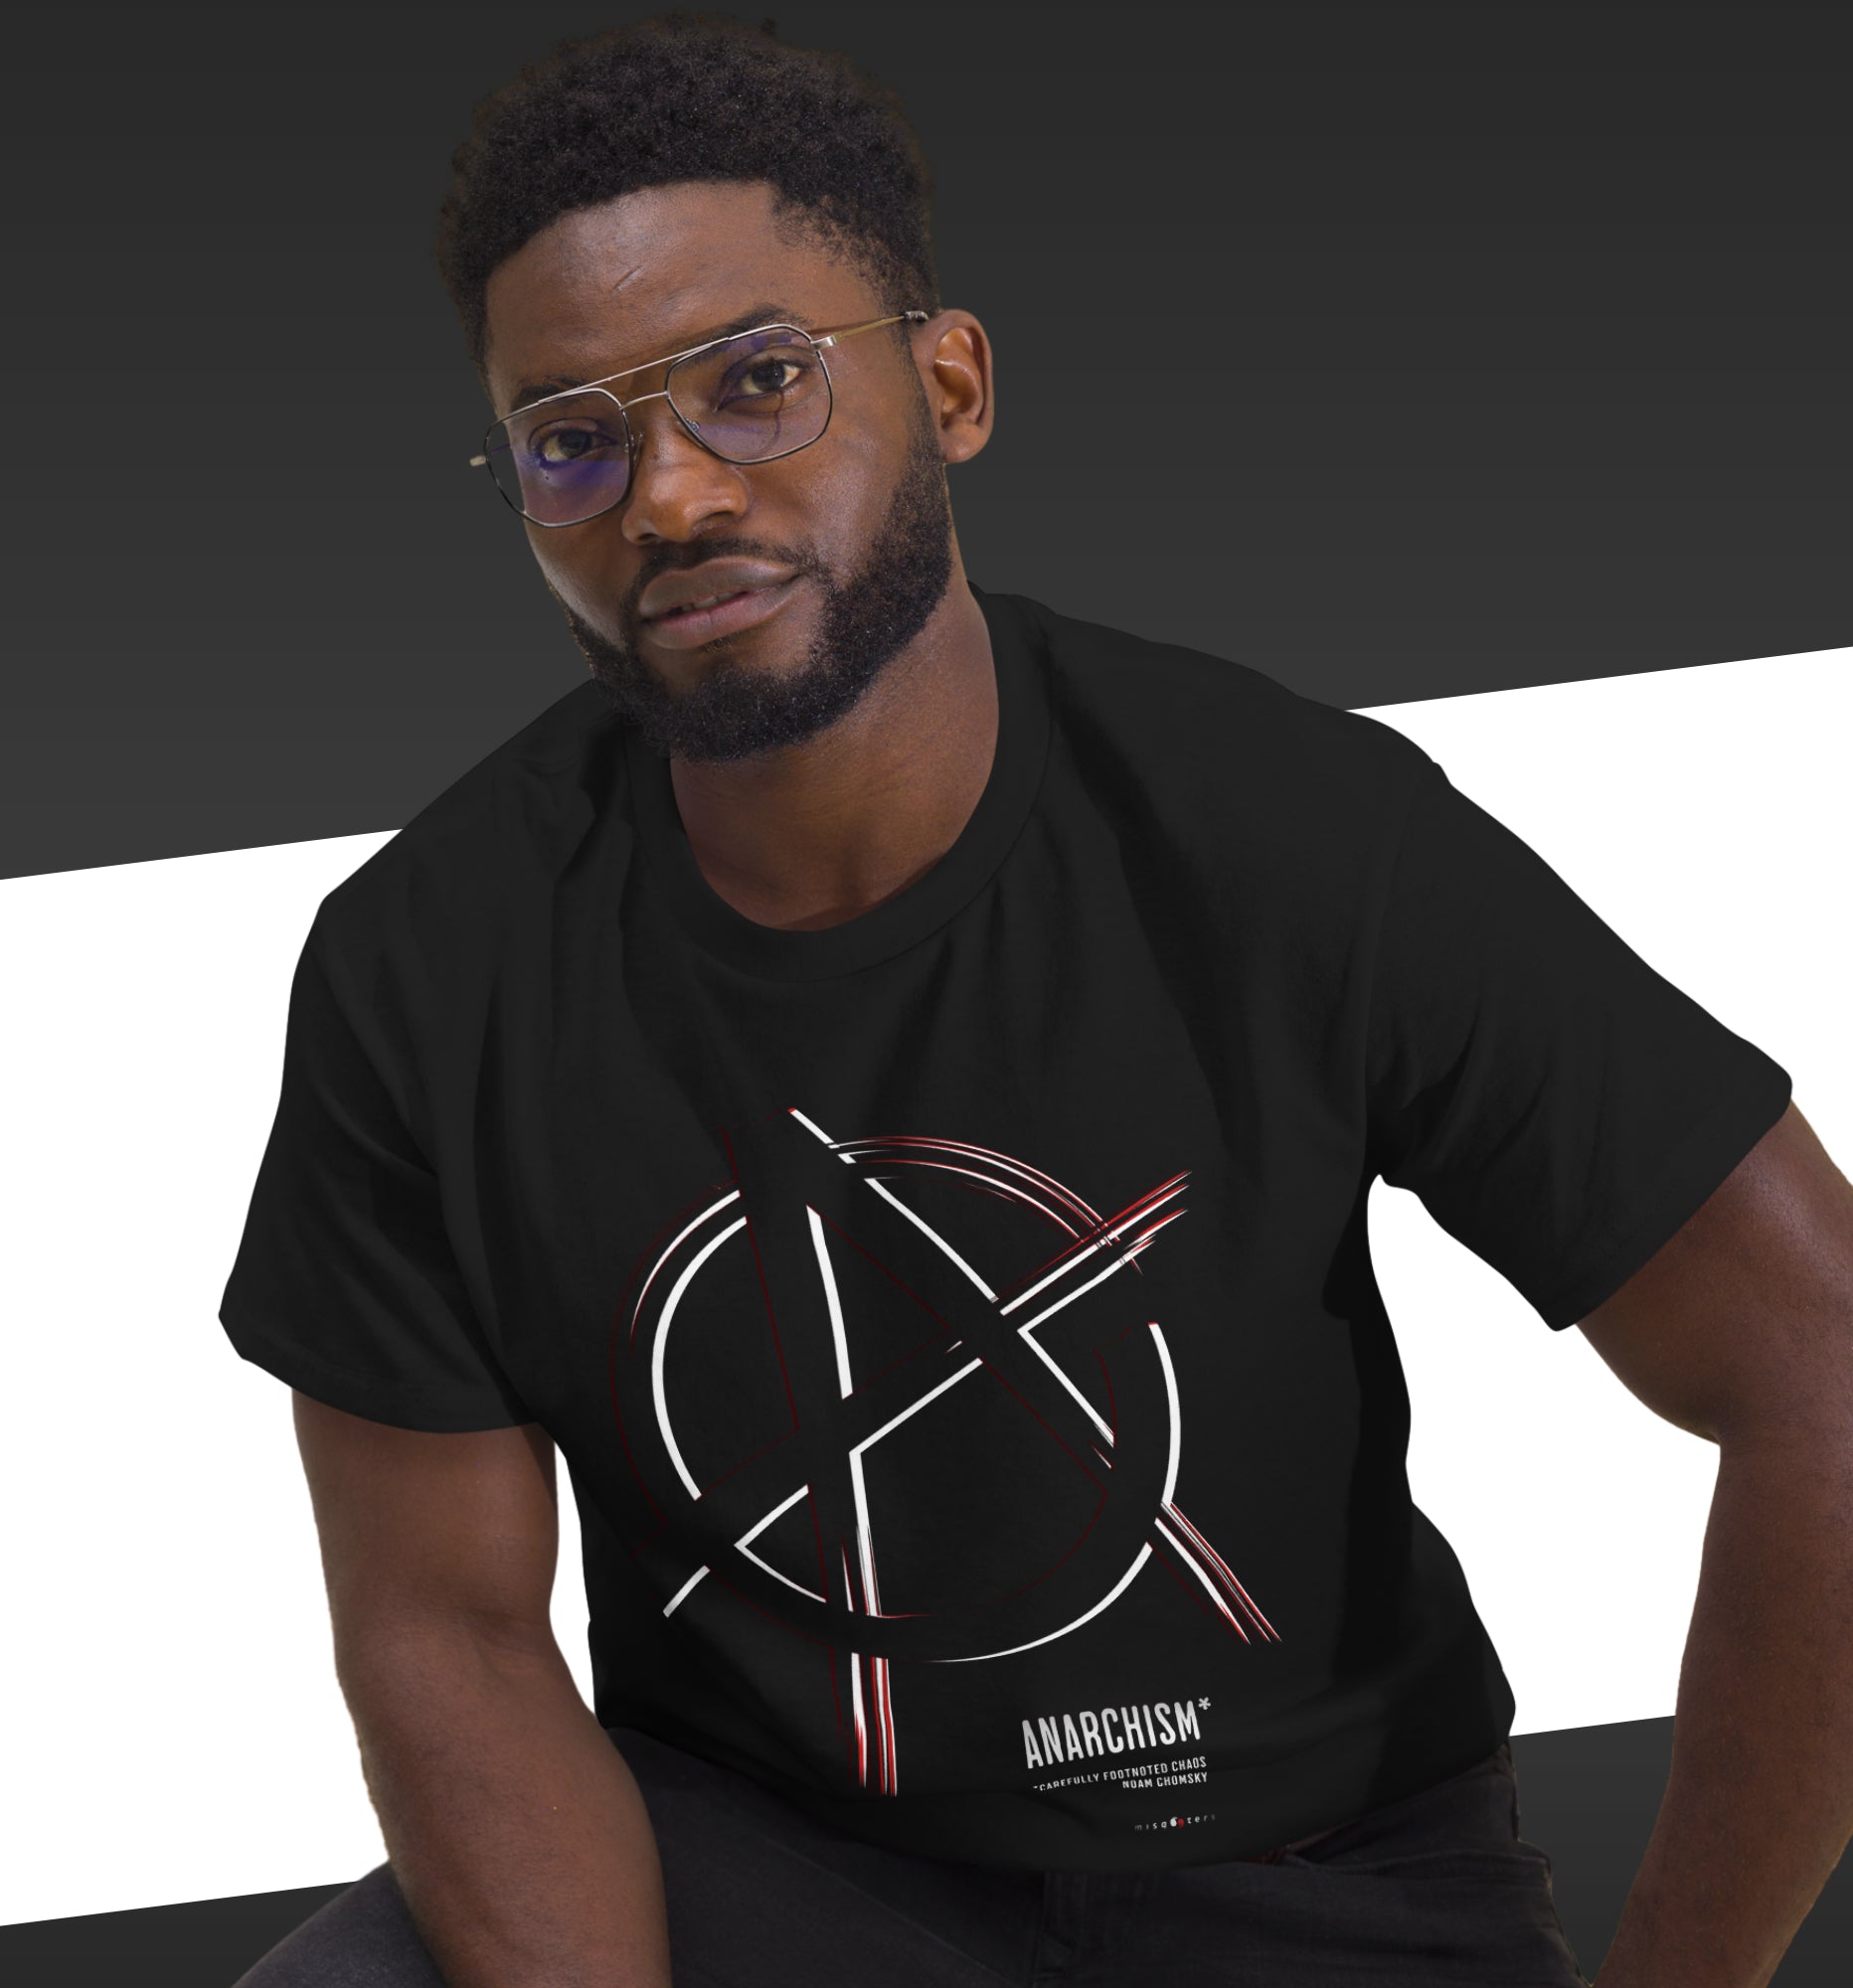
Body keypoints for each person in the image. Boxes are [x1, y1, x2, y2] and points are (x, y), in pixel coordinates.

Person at [220, 14, 1853, 1988]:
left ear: (951, 383)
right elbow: (447, 1632)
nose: (662, 498)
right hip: (773, 1869)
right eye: (573, 435)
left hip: (1305, 1887)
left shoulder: (1281, 831)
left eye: (752, 385)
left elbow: (1819, 1369)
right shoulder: (432, 965)